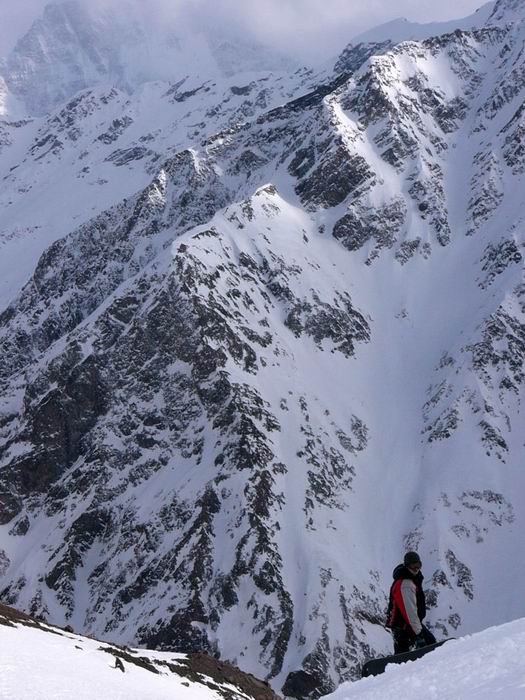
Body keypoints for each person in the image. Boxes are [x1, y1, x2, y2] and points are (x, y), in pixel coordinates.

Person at [386, 551, 437, 654]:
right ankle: (399, 667)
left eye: (418, 565)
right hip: (403, 626)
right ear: (407, 565)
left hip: (408, 625)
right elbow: (410, 612)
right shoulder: (406, 584)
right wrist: (419, 634)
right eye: (413, 565)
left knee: (429, 642)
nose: (416, 568)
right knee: (405, 653)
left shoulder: (412, 580)